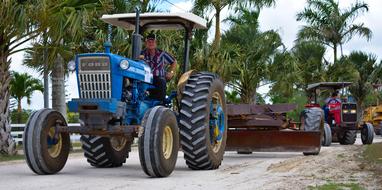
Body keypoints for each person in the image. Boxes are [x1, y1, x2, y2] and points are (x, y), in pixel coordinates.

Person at [140, 33, 177, 102]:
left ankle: (160, 102)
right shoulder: (142, 53)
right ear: (146, 43)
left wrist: (171, 72)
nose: (151, 43)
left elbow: (174, 62)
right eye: (149, 42)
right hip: (145, 78)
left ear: (156, 43)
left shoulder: (162, 54)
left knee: (161, 81)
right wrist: (139, 58)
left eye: (152, 41)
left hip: (158, 78)